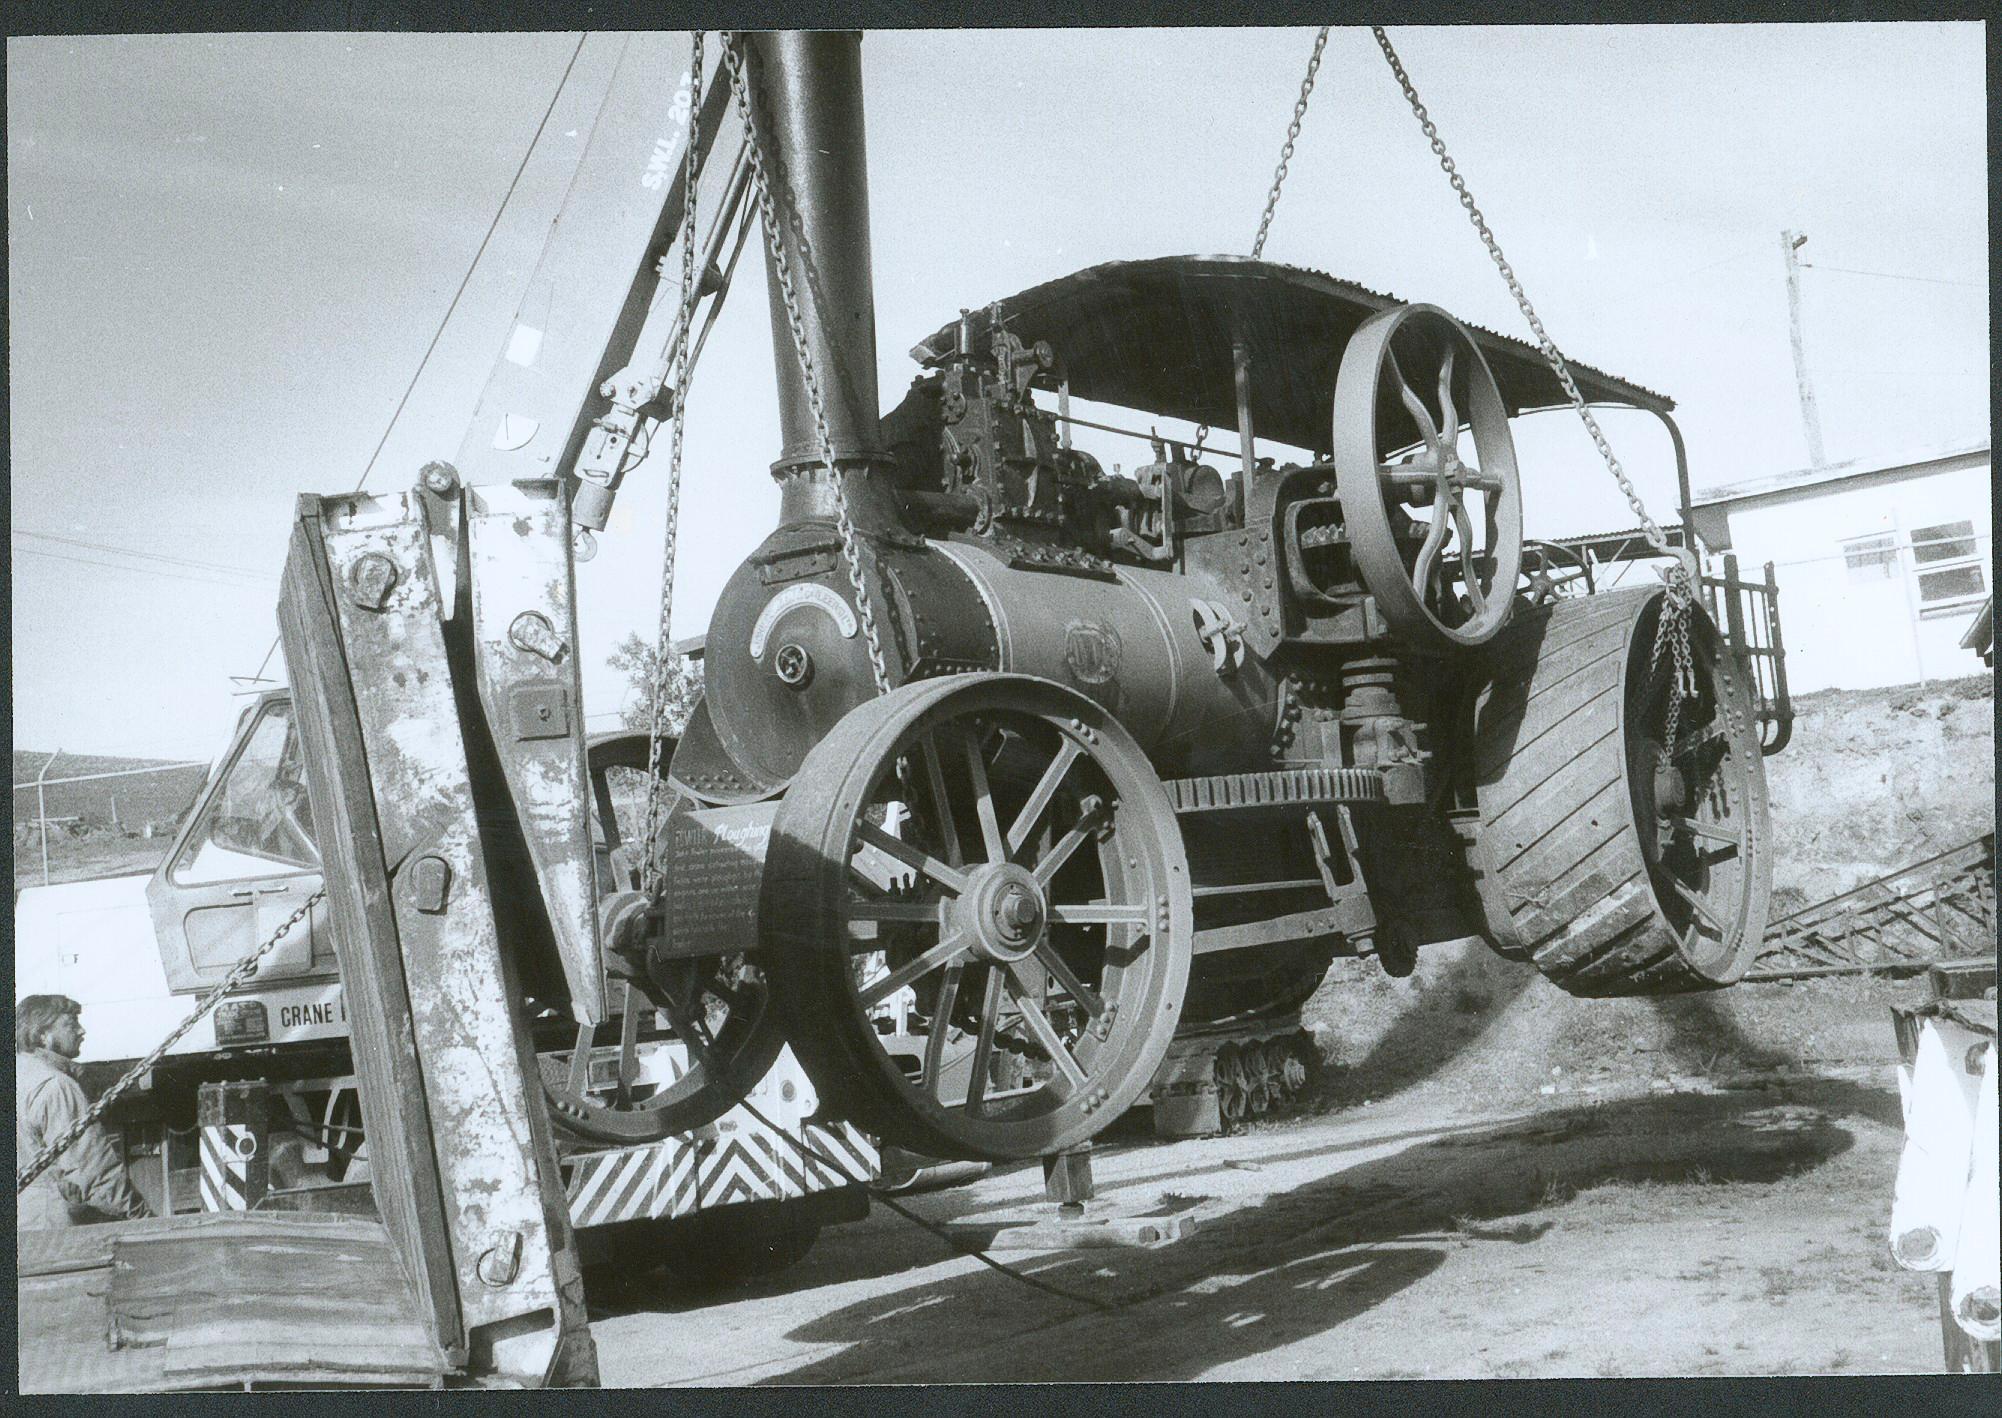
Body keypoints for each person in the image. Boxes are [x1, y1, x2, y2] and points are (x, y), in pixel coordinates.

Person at [17, 994, 154, 1231]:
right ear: (43, 1036)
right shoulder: (56, 1086)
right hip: (52, 1231)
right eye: (71, 1024)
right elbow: (94, 1174)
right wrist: (146, 1223)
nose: (82, 1032)